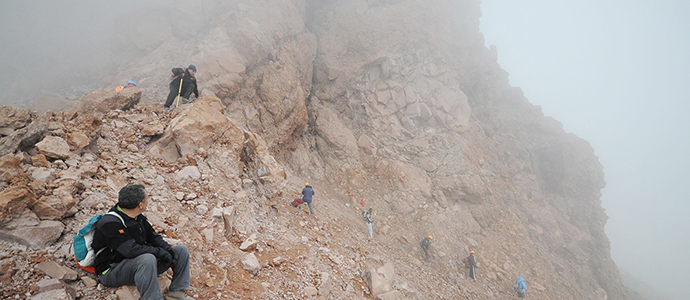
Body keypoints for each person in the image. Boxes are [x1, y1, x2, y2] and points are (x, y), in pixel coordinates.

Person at [91, 184, 196, 300]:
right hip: (111, 270)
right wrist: (159, 252)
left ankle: (176, 292)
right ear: (140, 205)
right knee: (147, 258)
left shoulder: (137, 217)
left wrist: (167, 250)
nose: (148, 201)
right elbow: (130, 250)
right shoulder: (110, 223)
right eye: (147, 199)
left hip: (137, 266)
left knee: (180, 251)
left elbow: (154, 237)